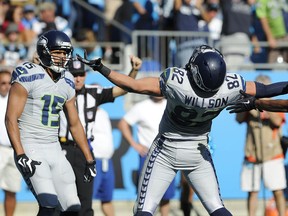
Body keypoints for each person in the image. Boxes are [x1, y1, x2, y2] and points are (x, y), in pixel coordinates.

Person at [76, 44, 288, 216]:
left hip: (165, 151)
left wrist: (101, 68)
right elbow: (267, 90)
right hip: (198, 152)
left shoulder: (178, 82)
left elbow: (134, 86)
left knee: (144, 210)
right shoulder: (230, 87)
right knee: (217, 207)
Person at [4, 30, 96, 216]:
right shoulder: (27, 74)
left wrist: (89, 157)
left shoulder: (68, 81)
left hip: (54, 147)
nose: (62, 57)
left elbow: (75, 123)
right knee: (49, 205)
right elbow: (10, 118)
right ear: (45, 51)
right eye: (57, 52)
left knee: (73, 207)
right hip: (31, 146)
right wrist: (20, 153)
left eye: (65, 53)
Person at [58, 56, 142, 216]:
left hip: (85, 150)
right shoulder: (59, 90)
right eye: (74, 74)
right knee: (61, 200)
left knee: (85, 201)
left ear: (85, 75)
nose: (77, 78)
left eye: (80, 74)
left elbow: (122, 89)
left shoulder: (92, 92)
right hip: (63, 148)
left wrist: (134, 70)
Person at [236, 75, 286, 216]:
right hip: (252, 154)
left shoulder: (275, 104)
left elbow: (277, 122)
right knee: (252, 191)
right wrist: (248, 105)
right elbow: (239, 119)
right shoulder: (250, 104)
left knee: (278, 190)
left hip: (273, 154)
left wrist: (264, 104)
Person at [118, 96, 176, 216]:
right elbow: (123, 124)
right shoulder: (141, 107)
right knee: (145, 196)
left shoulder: (172, 105)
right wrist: (135, 145)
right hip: (148, 156)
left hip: (168, 155)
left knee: (166, 195)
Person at [0, 69, 22, 216]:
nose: (7, 86)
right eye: (3, 83)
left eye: (10, 83)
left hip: (14, 150)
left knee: (11, 191)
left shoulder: (19, 100)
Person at [91, 107, 115, 216]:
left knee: (107, 198)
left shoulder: (104, 112)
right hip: (93, 161)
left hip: (107, 161)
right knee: (87, 199)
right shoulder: (83, 110)